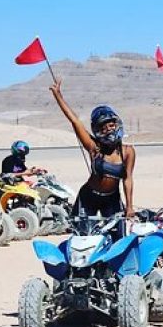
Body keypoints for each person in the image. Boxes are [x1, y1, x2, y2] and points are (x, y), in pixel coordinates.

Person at [49, 80, 135, 222]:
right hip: (89, 197)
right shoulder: (94, 147)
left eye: (111, 125)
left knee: (117, 236)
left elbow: (128, 178)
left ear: (117, 124)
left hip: (112, 199)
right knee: (82, 235)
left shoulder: (128, 151)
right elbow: (75, 121)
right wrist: (58, 96)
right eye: (103, 127)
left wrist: (130, 206)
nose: (108, 129)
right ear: (97, 130)